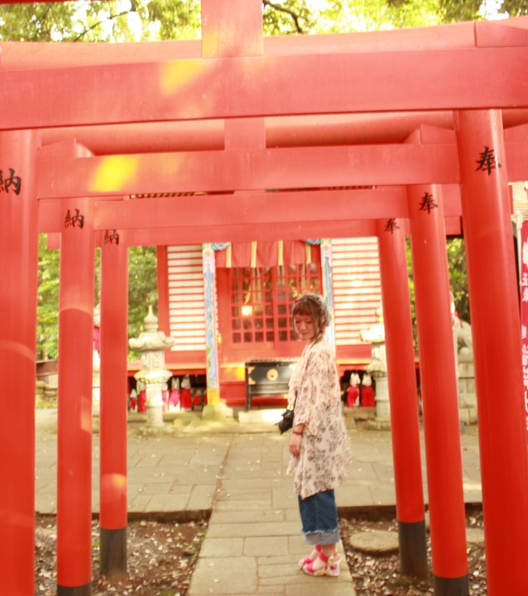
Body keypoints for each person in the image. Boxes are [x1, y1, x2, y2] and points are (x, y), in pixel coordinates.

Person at [286, 293, 351, 577]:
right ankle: (320, 547)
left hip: (317, 431)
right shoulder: (313, 347)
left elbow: (312, 396)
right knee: (309, 489)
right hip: (316, 429)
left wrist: (297, 430)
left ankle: (330, 554)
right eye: (298, 321)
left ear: (320, 321)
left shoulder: (321, 350)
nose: (301, 326)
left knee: (319, 491)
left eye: (307, 321)